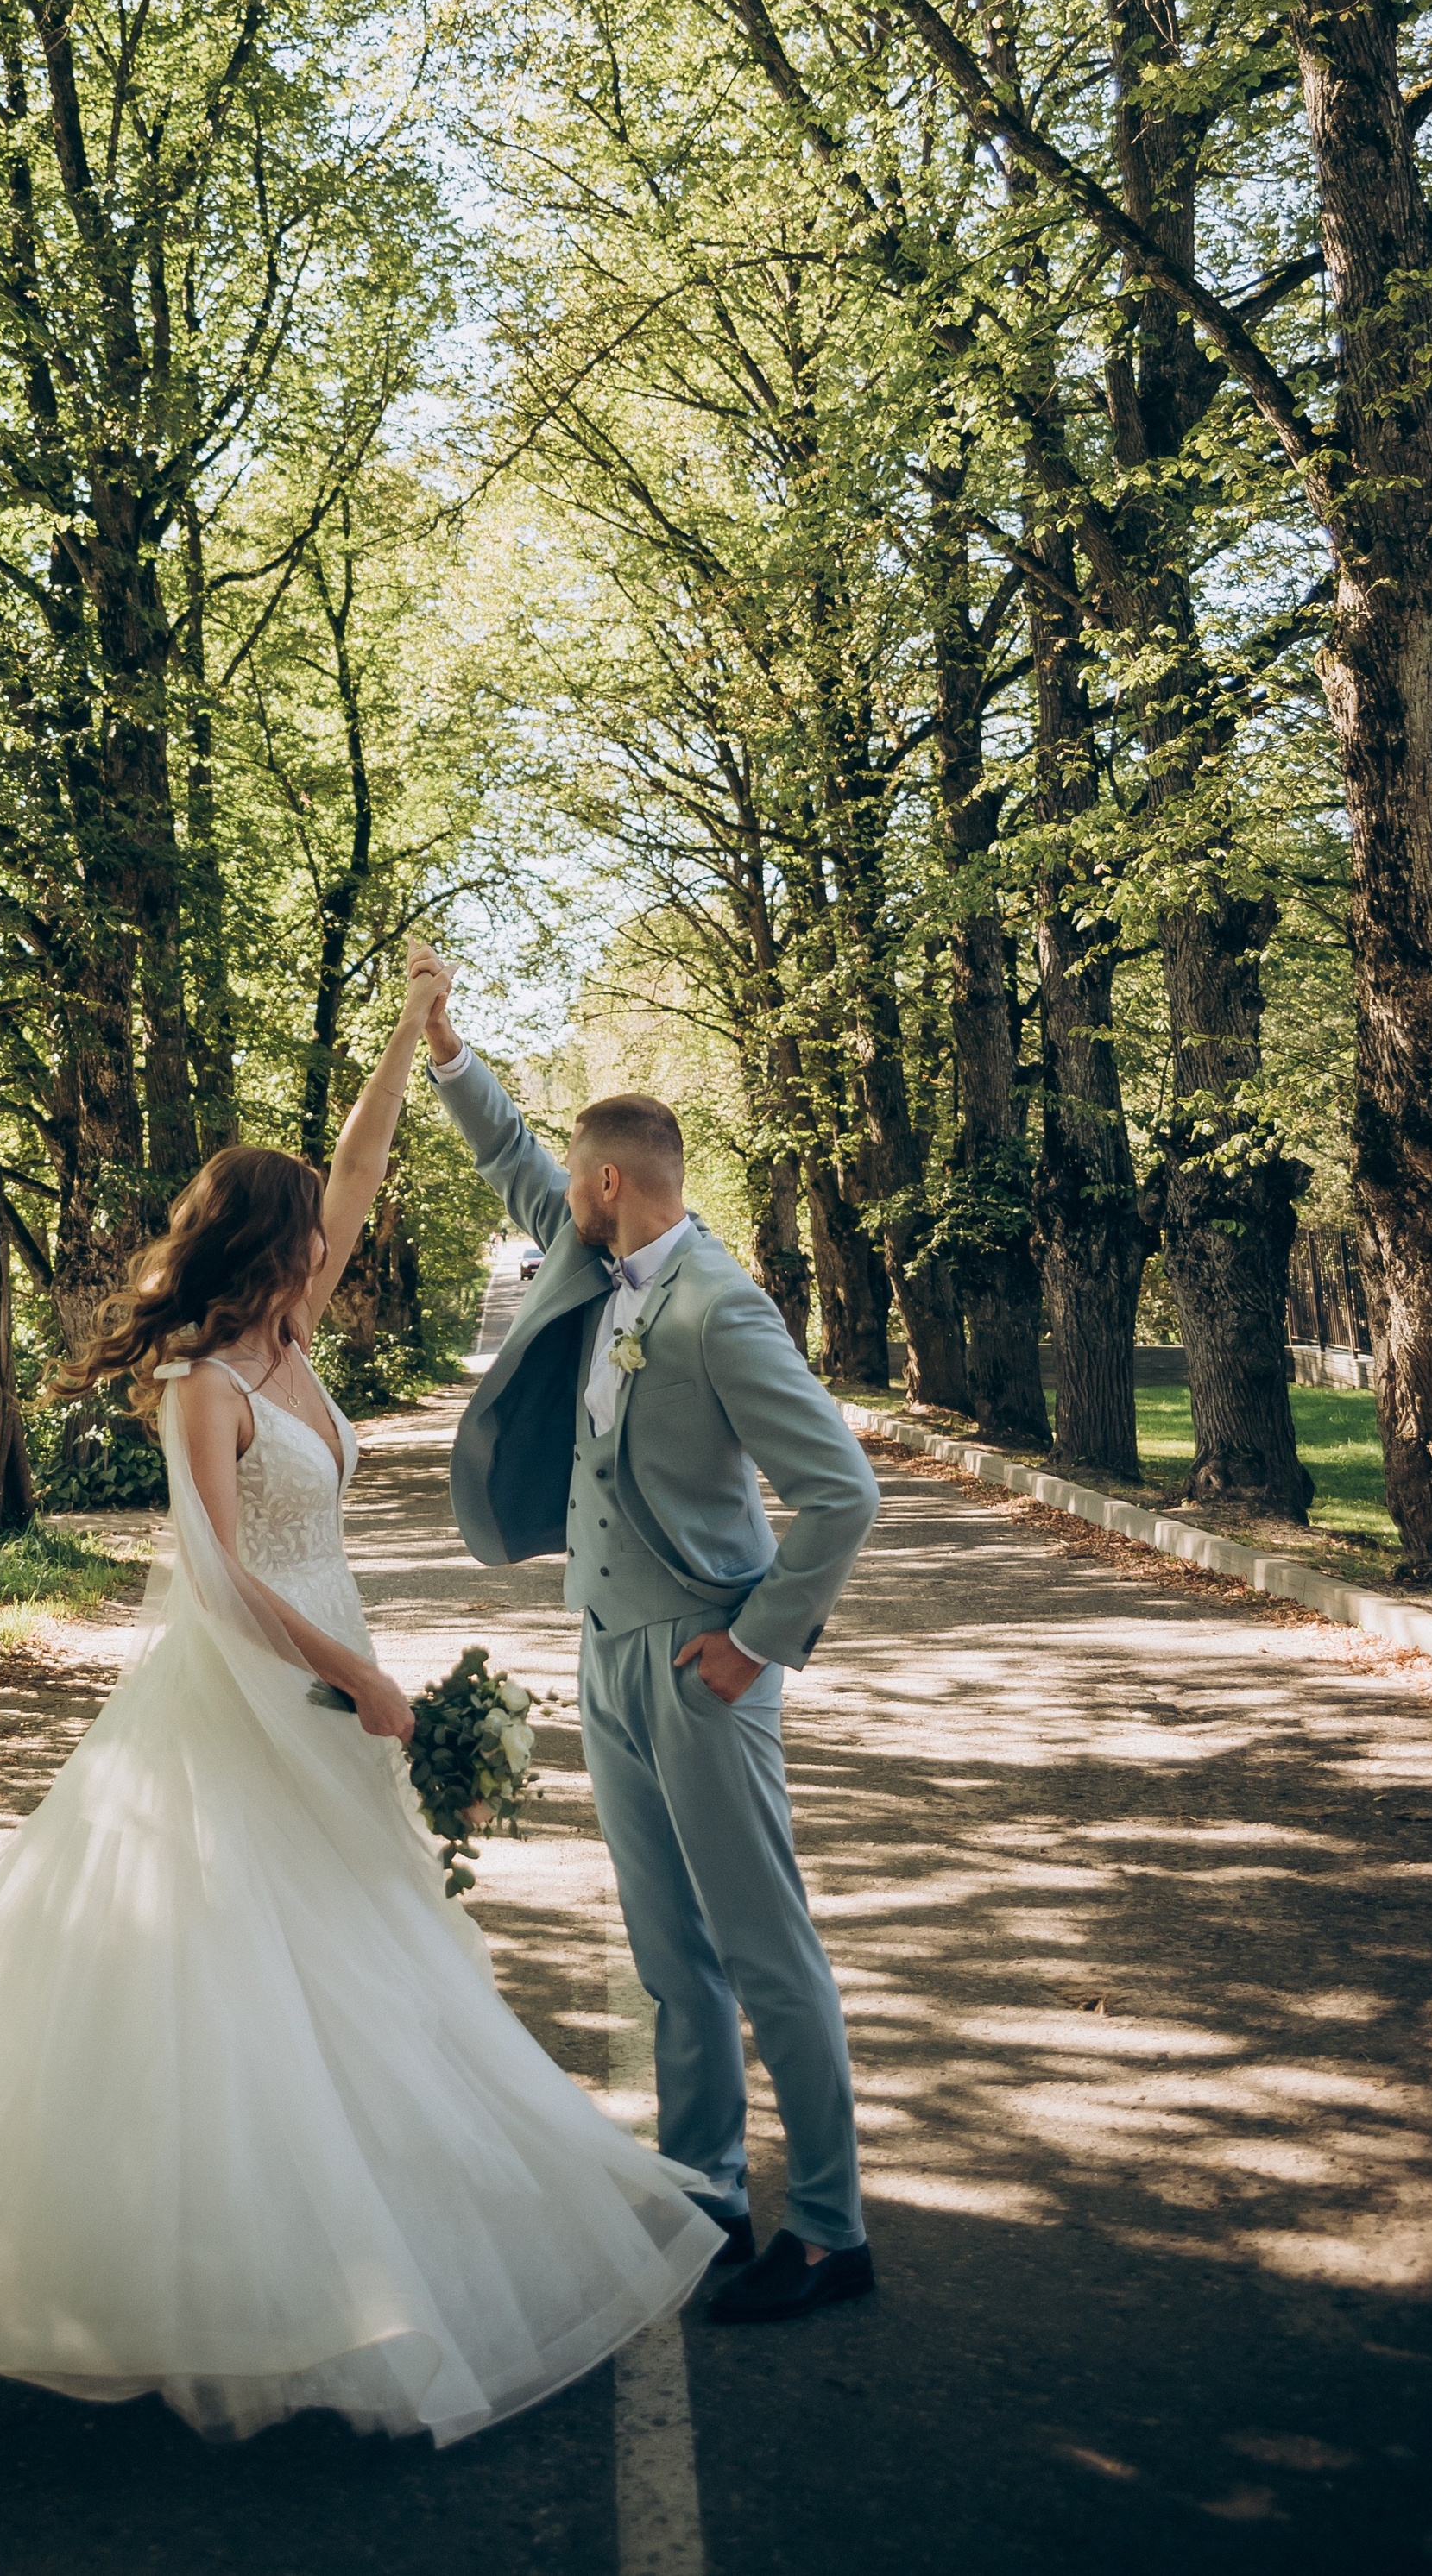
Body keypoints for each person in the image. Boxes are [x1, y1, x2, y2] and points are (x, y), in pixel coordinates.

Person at [0, 954, 717, 2446]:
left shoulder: (294, 1334)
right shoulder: (206, 1383)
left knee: (363, 1953)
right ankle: (214, 2275)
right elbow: (216, 1581)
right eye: (310, 1230)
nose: (334, 1238)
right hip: (256, 1687)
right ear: (267, 1246)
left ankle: (365, 2240)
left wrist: (412, 1035)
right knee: (239, 1971)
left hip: (332, 1675)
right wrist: (356, 1675)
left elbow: (360, 1162)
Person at [413, 942, 881, 2325]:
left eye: (576, 1181)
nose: (557, 1196)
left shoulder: (722, 1309)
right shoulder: (594, 1256)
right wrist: (446, 1049)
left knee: (764, 1949)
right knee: (669, 1951)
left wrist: (757, 1644)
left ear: (611, 1184)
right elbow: (510, 1153)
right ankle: (704, 2194)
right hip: (607, 1649)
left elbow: (842, 1492)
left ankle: (832, 2230)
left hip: (703, 1661)